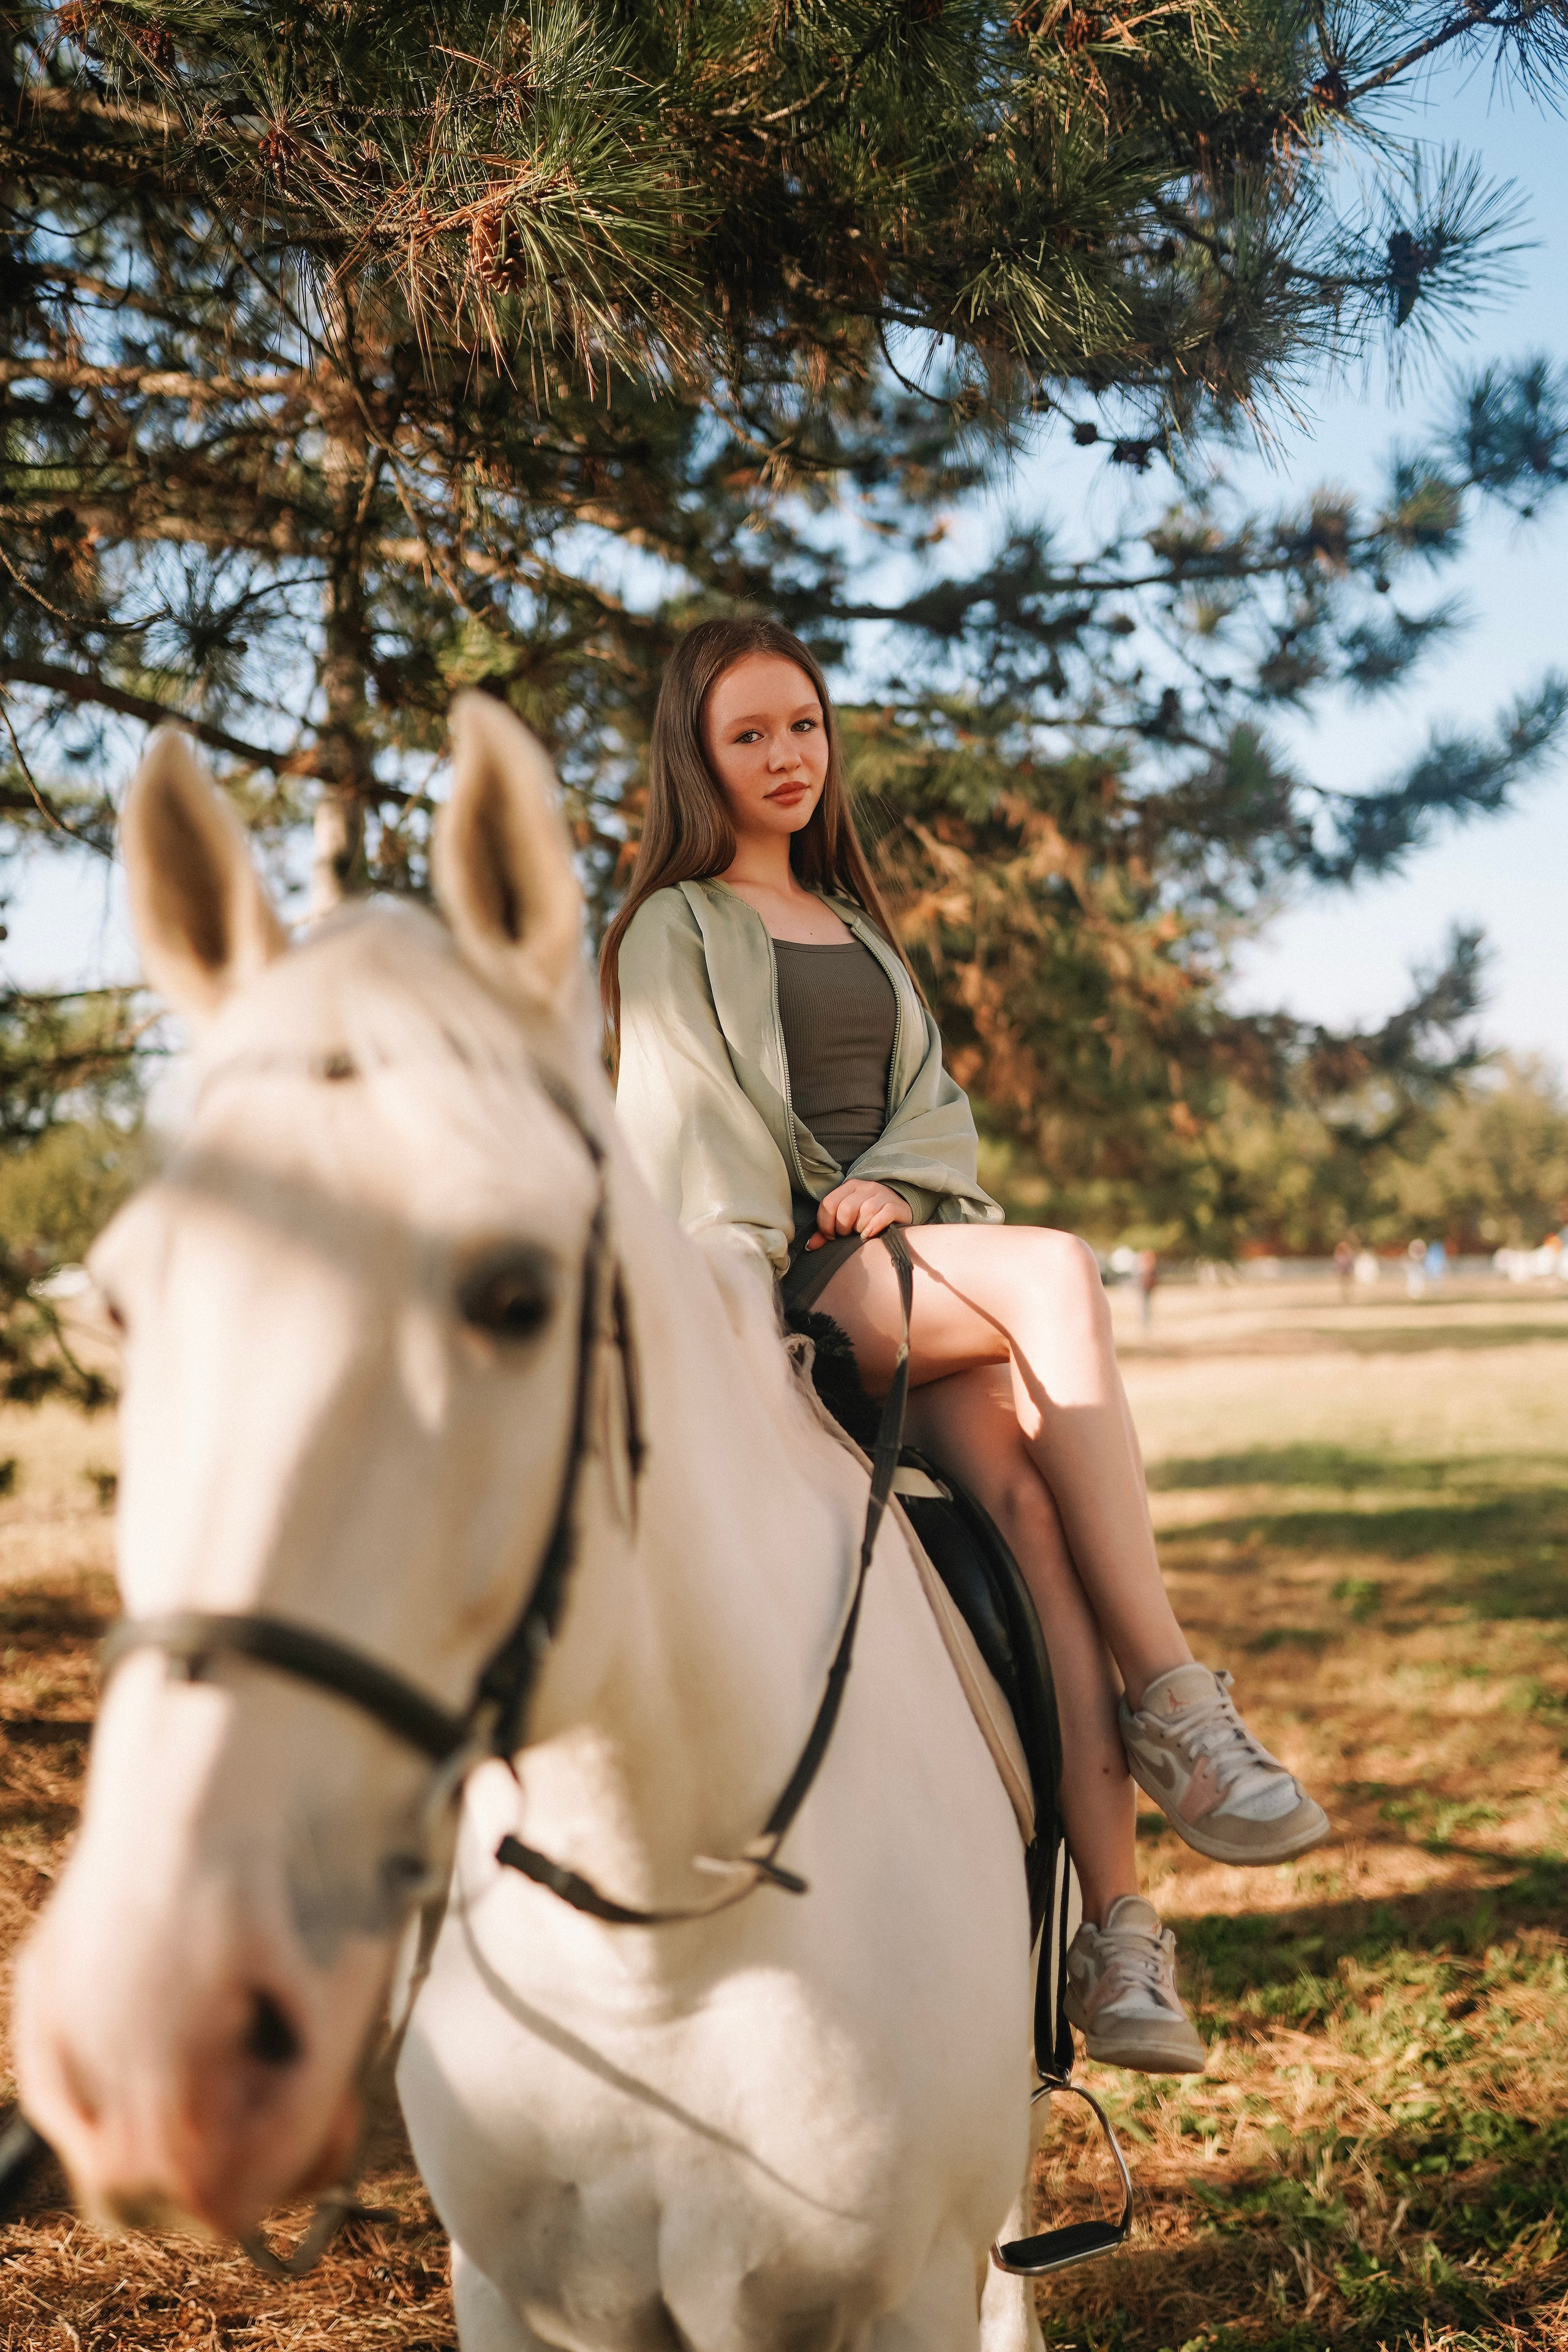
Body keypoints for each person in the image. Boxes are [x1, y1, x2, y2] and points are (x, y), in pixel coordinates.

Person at [604, 617, 1330, 2078]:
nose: (782, 756)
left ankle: (1116, 1939)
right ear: (696, 755)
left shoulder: (863, 928)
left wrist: (903, 1192)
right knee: (1058, 1272)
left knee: (1034, 1526)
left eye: (800, 725)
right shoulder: (671, 928)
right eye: (746, 734)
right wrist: (815, 1232)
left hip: (899, 1273)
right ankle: (1179, 1702)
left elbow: (936, 1125)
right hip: (785, 1296)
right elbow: (688, 1134)